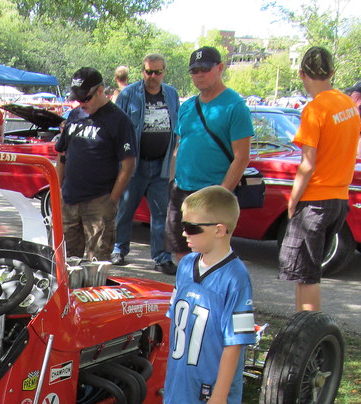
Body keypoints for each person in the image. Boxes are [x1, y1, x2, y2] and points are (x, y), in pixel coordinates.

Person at [126, 186, 256, 404]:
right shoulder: (185, 266)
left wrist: (219, 395)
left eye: (193, 228)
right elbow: (176, 323)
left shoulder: (236, 278)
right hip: (182, 378)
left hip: (216, 383)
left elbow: (235, 343)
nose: (184, 233)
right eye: (183, 225)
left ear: (219, 230)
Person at [279, 47, 360, 313]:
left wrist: (292, 201)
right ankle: (307, 326)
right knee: (310, 270)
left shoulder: (315, 110)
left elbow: (307, 164)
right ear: (332, 73)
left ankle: (305, 329)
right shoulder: (348, 103)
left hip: (315, 201)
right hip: (339, 199)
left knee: (304, 273)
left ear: (302, 74)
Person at [166, 46, 254, 264]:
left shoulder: (235, 106)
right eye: (194, 71)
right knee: (181, 254)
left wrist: (221, 195)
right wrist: (171, 181)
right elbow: (179, 145)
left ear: (220, 68)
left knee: (209, 257)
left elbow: (242, 157)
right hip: (182, 191)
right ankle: (187, 296)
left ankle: (207, 298)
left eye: (205, 68)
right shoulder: (187, 107)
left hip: (211, 193)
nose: (199, 75)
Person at [54, 67, 136, 263]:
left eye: (86, 99)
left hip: (99, 201)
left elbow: (128, 165)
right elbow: (62, 155)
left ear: (100, 91)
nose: (81, 104)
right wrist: (57, 191)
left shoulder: (119, 120)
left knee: (97, 264)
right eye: (77, 99)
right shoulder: (74, 115)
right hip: (69, 199)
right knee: (63, 262)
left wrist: (112, 200)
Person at [113, 53, 179, 273]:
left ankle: (162, 257)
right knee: (125, 210)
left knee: (161, 213)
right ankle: (119, 249)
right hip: (134, 164)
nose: (153, 76)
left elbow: (176, 128)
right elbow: (118, 129)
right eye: (149, 71)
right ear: (142, 71)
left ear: (164, 72)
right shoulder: (129, 94)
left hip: (160, 164)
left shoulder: (171, 94)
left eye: (158, 71)